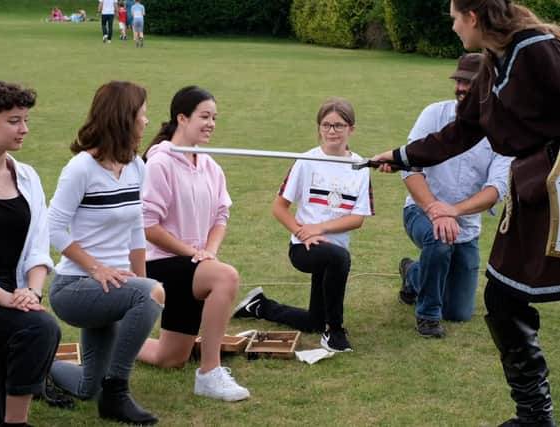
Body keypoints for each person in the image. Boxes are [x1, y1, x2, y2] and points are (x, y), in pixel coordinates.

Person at [373, 1, 560, 425]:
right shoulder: (494, 64)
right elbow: (463, 131)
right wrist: (402, 156)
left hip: (553, 183)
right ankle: (534, 417)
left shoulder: (537, 49)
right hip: (533, 187)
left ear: (472, 17)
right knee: (502, 296)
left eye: (455, 18)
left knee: (504, 297)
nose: (454, 26)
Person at [47, 81, 164, 425]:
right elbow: (53, 228)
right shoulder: (81, 169)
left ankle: (32, 364)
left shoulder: (135, 167)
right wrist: (96, 269)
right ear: (123, 119)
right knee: (149, 293)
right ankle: (117, 394)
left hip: (114, 288)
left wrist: (141, 282)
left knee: (87, 386)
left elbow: (135, 229)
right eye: (142, 115)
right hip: (74, 289)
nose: (146, 121)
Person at [233, 98, 374, 352]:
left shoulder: (360, 167)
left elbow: (358, 219)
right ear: (319, 127)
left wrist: (319, 228)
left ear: (351, 129)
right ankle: (335, 331)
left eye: (339, 126)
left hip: (329, 245)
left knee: (313, 321)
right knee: (339, 258)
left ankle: (260, 306)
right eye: (326, 125)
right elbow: (279, 207)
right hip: (304, 247)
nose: (332, 131)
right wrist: (303, 232)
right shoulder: (305, 160)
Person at [137, 86, 250, 402]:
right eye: (204, 116)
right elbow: (147, 226)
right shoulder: (159, 162)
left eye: (214, 117)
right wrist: (193, 253)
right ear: (181, 118)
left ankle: (113, 338)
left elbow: (221, 215)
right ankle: (209, 374)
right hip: (159, 263)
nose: (211, 123)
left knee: (170, 358)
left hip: (194, 264)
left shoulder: (211, 165)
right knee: (225, 276)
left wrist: (208, 252)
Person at [398, 53, 511, 339]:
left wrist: (454, 211)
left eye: (469, 82)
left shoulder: (502, 131)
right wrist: (435, 209)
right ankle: (427, 316)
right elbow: (410, 169)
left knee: (460, 312)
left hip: (466, 226)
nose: (461, 87)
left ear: (488, 87)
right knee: (439, 238)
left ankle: (413, 274)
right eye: (458, 80)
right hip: (420, 211)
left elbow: (496, 190)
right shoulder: (434, 113)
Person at [0, 81, 61, 427]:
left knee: (41, 327)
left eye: (26, 120)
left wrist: (31, 292)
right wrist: (4, 297)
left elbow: (38, 247)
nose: (24, 129)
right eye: (14, 120)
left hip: (14, 294)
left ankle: (16, 422)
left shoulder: (27, 177)